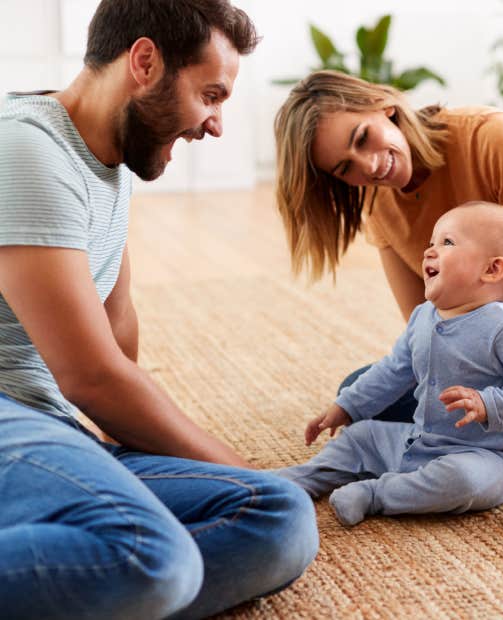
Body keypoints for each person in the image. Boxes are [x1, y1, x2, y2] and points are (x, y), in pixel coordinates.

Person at [0, 2, 318, 619]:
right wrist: (241, 463)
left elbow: (118, 333)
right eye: (211, 94)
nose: (216, 124)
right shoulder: (24, 149)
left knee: (277, 516)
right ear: (145, 62)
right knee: (148, 554)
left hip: (52, 431)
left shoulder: (104, 163)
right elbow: (92, 376)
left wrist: (138, 453)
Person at [274, 69, 503, 520]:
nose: (369, 165)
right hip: (488, 367)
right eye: (345, 168)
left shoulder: (492, 138)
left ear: (386, 108)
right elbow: (423, 334)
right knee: (359, 393)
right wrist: (353, 404)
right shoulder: (380, 208)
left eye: (363, 138)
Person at [276, 203, 503, 526]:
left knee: (460, 481)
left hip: (485, 456)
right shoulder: (423, 316)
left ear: (492, 270)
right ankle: (305, 477)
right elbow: (392, 371)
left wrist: (488, 402)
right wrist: (347, 406)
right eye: (431, 242)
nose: (429, 252)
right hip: (418, 439)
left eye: (447, 243)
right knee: (361, 436)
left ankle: (376, 494)